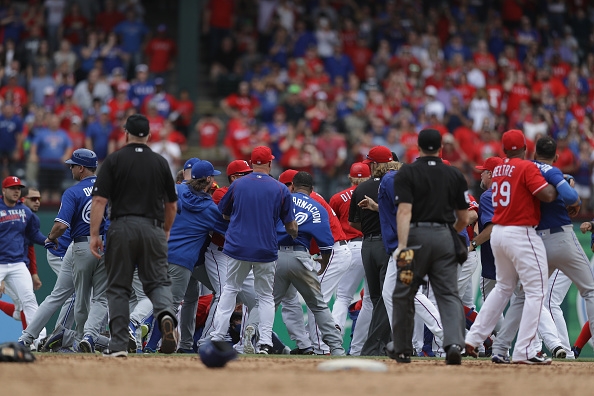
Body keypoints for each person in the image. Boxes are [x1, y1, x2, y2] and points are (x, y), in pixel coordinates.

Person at [489, 136, 590, 362]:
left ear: (533, 153)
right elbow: (572, 196)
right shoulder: (552, 171)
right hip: (562, 237)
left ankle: (500, 348)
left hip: (536, 240)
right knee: (590, 290)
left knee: (523, 295)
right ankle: (556, 346)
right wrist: (574, 200)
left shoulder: (525, 167)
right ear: (555, 156)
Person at [464, 129, 557, 365]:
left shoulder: (500, 170)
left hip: (500, 235)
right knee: (535, 291)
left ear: (504, 150)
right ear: (525, 148)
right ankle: (526, 350)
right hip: (521, 232)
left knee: (503, 289)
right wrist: (558, 182)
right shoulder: (525, 167)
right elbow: (546, 195)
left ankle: (475, 338)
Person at [89, 114, 179, 357]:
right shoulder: (161, 162)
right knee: (158, 281)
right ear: (148, 136)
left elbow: (99, 200)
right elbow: (171, 205)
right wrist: (166, 229)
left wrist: (94, 233)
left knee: (119, 287)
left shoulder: (114, 160)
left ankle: (118, 344)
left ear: (125, 133)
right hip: (153, 227)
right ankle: (166, 315)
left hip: (122, 226)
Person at [390, 129, 470, 365]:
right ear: (441, 148)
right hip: (445, 237)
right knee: (448, 293)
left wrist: (402, 246)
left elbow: (404, 211)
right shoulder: (454, 174)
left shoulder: (408, 173)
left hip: (414, 239)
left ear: (418, 146)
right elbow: (464, 218)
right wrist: (447, 234)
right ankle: (454, 343)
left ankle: (403, 349)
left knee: (404, 291)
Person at [210, 146, 297, 354]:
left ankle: (217, 337)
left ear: (252, 163)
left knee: (230, 290)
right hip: (265, 248)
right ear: (269, 163)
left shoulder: (238, 184)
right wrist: (294, 233)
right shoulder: (280, 188)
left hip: (238, 246)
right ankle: (264, 342)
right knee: (265, 296)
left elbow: (224, 214)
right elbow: (291, 225)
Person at [40, 149, 110, 353]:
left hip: (76, 246)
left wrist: (50, 238)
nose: (70, 168)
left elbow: (61, 226)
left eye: (72, 165)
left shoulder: (73, 191)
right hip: (105, 245)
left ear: (81, 168)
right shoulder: (109, 189)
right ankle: (82, 337)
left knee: (77, 296)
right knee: (99, 298)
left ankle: (66, 335)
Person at [270, 171, 345, 356]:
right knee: (318, 305)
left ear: (292, 186)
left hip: (276, 256)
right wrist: (323, 263)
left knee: (266, 303)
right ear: (312, 189)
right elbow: (326, 245)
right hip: (301, 257)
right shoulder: (316, 205)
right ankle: (336, 348)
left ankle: (255, 339)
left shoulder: (278, 201)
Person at [348, 146, 393, 356]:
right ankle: (377, 346)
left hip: (367, 244)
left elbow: (353, 222)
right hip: (387, 244)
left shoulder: (360, 188)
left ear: (374, 165)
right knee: (386, 298)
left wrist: (369, 229)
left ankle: (382, 345)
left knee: (376, 298)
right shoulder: (395, 185)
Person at [329, 162, 373, 355]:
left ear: (350, 177)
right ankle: (357, 348)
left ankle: (334, 338)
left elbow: (331, 225)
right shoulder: (374, 193)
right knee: (370, 300)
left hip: (349, 247)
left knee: (343, 297)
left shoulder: (338, 197)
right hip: (372, 244)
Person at [0, 176, 46, 343]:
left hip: (18, 264)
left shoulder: (25, 212)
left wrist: (48, 241)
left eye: (18, 188)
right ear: (4, 190)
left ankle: (39, 340)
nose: (16, 191)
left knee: (29, 300)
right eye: (12, 188)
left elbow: (33, 236)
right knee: (21, 309)